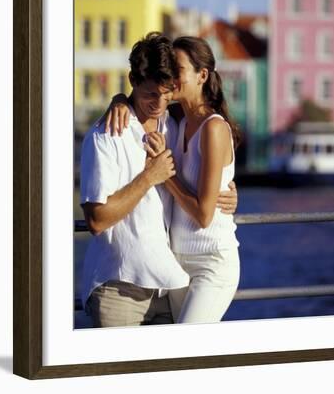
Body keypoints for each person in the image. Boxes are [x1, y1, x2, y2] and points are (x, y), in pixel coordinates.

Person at [80, 32, 237, 328]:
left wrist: (225, 190)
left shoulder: (172, 124)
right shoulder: (106, 135)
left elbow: (204, 190)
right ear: (133, 81)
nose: (160, 102)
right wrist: (151, 176)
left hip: (170, 283)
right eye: (152, 94)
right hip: (120, 288)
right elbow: (97, 221)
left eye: (167, 92)